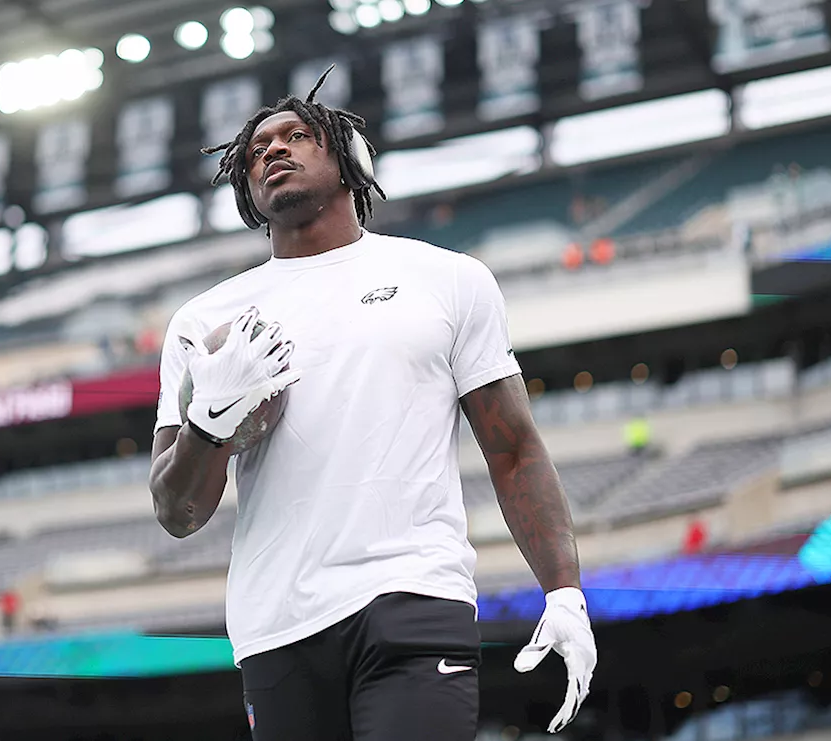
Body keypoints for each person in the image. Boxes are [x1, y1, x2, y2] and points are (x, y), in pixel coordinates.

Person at [148, 66, 597, 740]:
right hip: (275, 625)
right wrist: (208, 423)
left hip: (415, 596)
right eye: (257, 149)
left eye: (297, 135)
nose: (273, 149)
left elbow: (513, 449)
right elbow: (176, 513)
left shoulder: (448, 280)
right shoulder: (204, 323)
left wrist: (563, 589)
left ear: (351, 159)